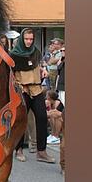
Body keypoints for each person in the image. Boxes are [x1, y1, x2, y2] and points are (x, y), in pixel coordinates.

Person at [9, 28, 55, 163]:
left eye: (31, 39)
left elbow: (36, 65)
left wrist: (43, 70)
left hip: (37, 89)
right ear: (22, 39)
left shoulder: (36, 52)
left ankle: (42, 152)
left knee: (42, 117)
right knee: (21, 121)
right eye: (26, 39)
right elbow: (10, 74)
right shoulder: (14, 55)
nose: (29, 41)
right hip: (23, 90)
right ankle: (18, 150)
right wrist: (18, 86)